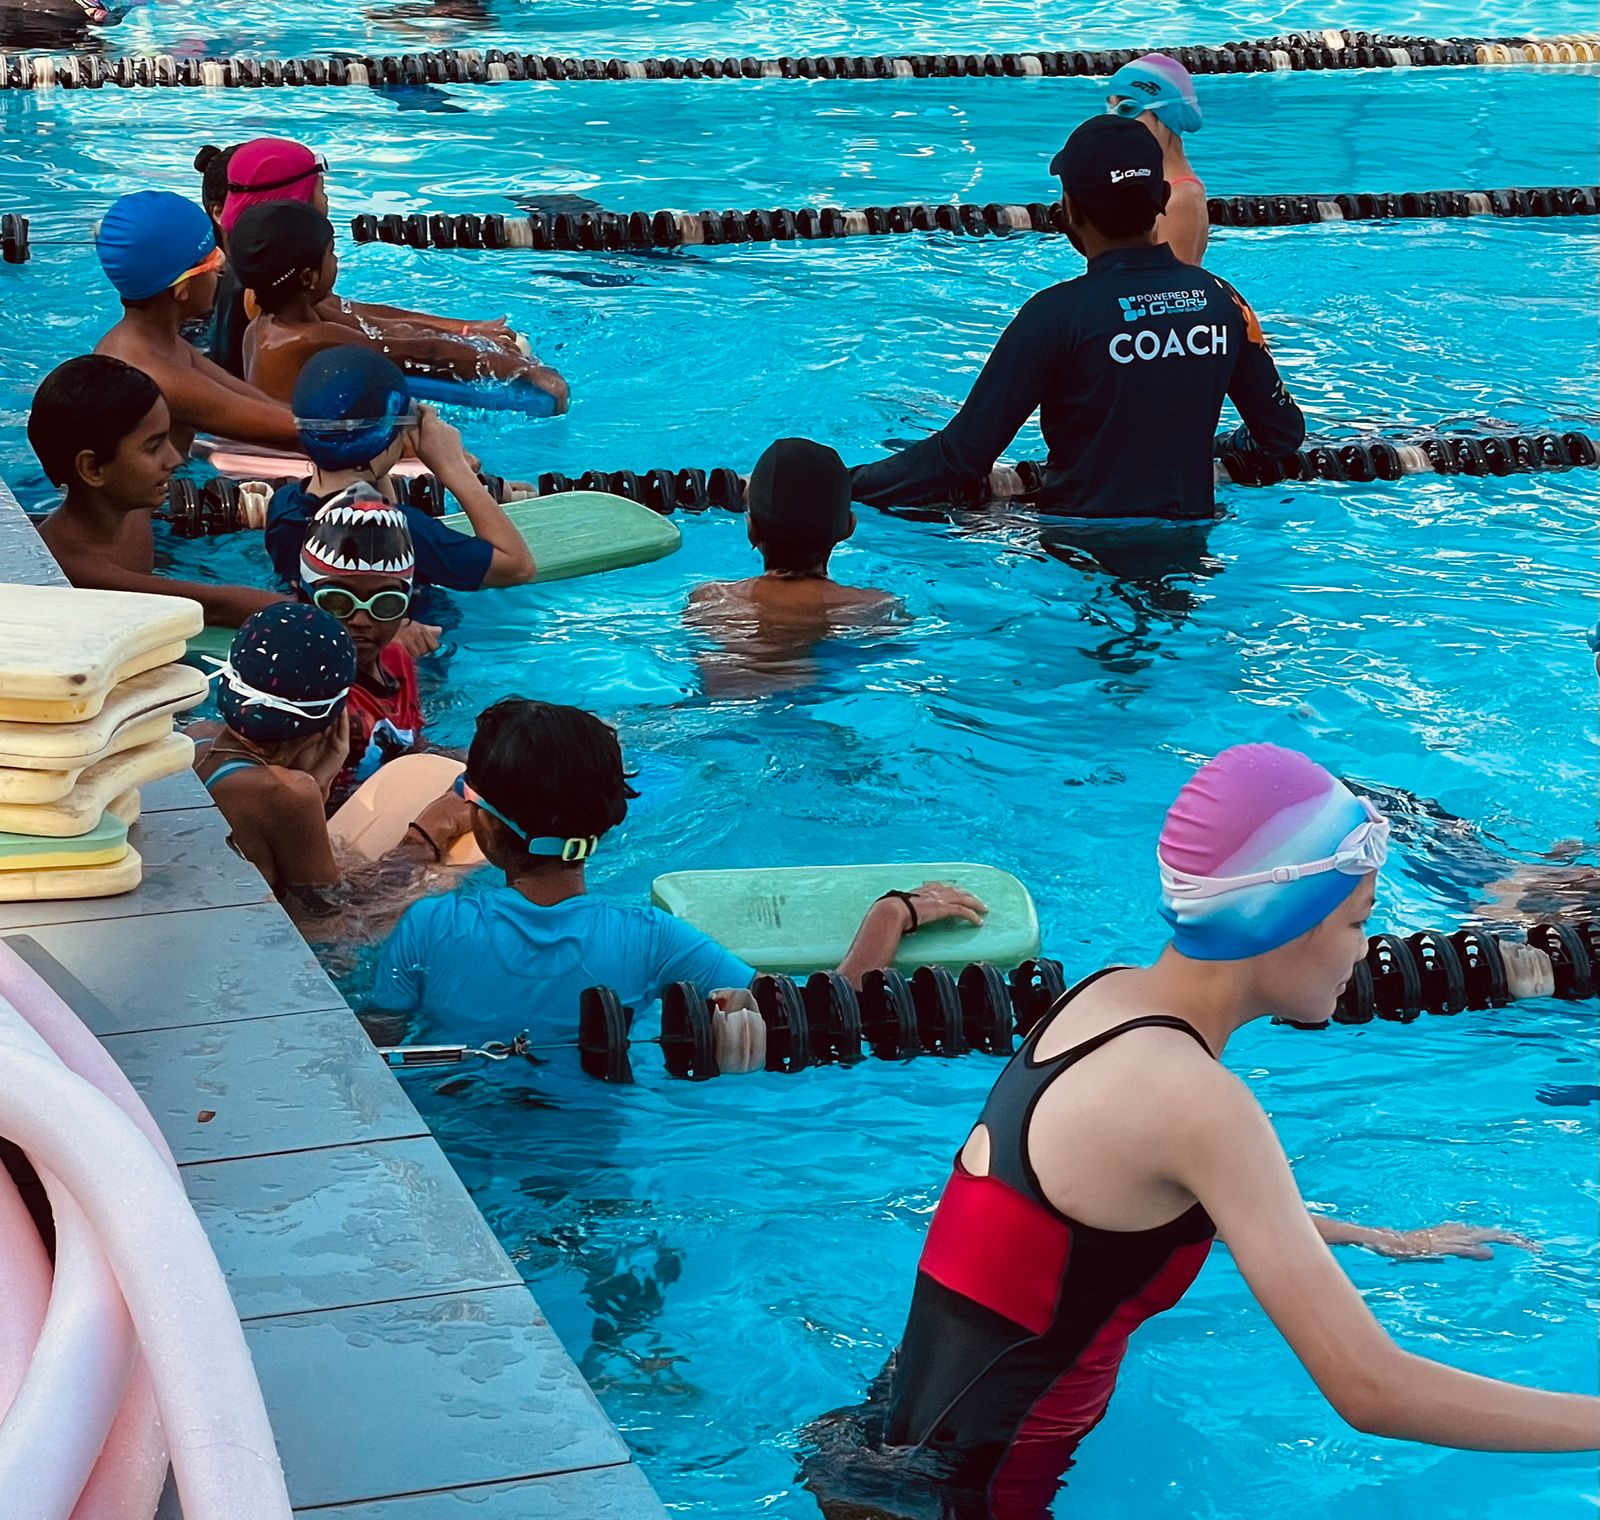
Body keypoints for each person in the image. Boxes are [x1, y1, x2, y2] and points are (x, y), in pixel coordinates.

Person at [802, 743, 1598, 1520]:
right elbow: (1373, 1391)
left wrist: (1378, 1239)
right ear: (1286, 922)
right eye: (1358, 922)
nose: (1364, 952)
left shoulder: (1103, 999)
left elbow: (1115, 1219)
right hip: (965, 1490)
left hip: (889, 1433)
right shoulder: (1200, 1103)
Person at [370, 698, 985, 1042]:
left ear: (485, 828)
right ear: (608, 822)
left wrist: (419, 839)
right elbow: (823, 1014)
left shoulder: (428, 927)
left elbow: (376, 1043)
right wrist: (891, 913)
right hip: (597, 1166)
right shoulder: (650, 941)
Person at [850, 117, 1305, 520]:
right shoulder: (1222, 301)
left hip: (1078, 552)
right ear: (1164, 198)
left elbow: (962, 457)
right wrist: (1218, 446)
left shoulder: (1055, 316)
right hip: (1194, 549)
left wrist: (842, 483)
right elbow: (1281, 434)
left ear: (1069, 211)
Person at [194, 603, 472, 914]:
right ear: (335, 717)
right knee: (442, 885)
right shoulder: (287, 792)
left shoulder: (197, 737)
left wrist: (320, 785)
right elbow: (333, 912)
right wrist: (425, 835)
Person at [201, 136, 523, 379]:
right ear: (296, 201)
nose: (327, 201)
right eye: (321, 191)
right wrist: (479, 349)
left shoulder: (265, 277)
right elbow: (381, 340)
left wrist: (464, 329)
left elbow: (352, 313)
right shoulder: (270, 303)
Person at [228, 200, 568, 410]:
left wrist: (467, 333)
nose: (337, 261)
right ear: (308, 278)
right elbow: (425, 352)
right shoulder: (313, 337)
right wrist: (525, 369)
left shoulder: (260, 328)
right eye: (331, 254)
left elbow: (383, 329)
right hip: (304, 453)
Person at [27, 355, 285, 627]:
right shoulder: (74, 569)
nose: (174, 459)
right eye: (153, 448)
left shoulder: (128, 503)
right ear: (92, 468)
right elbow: (212, 606)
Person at [265, 345, 536, 600]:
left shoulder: (284, 507)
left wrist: (382, 446)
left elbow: (383, 503)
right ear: (382, 440)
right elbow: (517, 568)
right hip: (414, 630)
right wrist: (454, 468)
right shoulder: (404, 532)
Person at [91, 190, 300, 453]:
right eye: (213, 259)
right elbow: (289, 431)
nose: (222, 268)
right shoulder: (153, 374)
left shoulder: (157, 340)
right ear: (182, 289)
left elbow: (247, 397)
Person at [688, 438, 899, 694]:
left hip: (720, 705)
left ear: (751, 529)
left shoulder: (709, 599)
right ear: (849, 527)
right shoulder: (875, 607)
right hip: (814, 703)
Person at [295, 484, 427, 805]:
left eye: (385, 604)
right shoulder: (310, 694)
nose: (361, 620)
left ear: (407, 606)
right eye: (338, 601)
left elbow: (416, 746)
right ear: (304, 599)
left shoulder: (397, 658)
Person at [1106, 53, 1208, 265]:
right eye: (1110, 108)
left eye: (1127, 108)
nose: (1114, 120)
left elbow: (1176, 282)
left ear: (1167, 114)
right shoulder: (1148, 182)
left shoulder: (1181, 197)